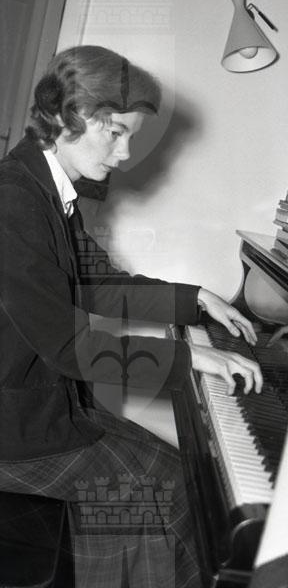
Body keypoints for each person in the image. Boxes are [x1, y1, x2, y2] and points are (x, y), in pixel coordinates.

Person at [0, 45, 262, 588]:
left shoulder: (44, 189)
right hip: (13, 426)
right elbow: (68, 347)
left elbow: (95, 284)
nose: (124, 154)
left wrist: (194, 298)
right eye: (116, 132)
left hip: (42, 405)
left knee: (180, 473)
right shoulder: (14, 199)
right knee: (150, 492)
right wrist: (189, 358)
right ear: (68, 116)